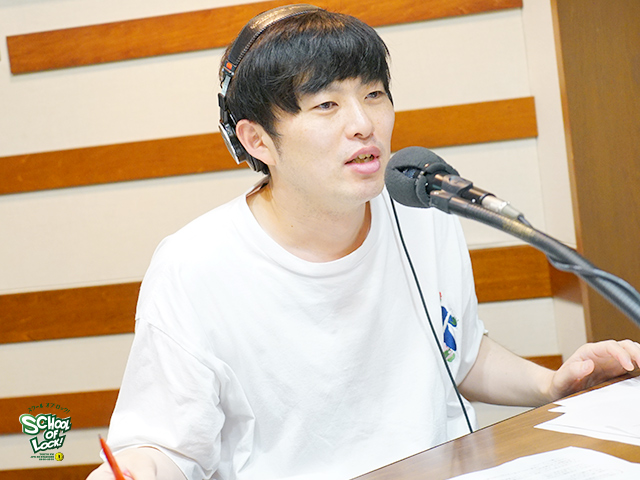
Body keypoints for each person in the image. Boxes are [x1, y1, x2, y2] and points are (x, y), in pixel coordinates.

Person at [88, 5, 640, 480]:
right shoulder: (195, 264)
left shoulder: (422, 210)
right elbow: (163, 447)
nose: (363, 123)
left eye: (373, 95)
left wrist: (554, 383)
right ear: (257, 140)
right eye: (326, 105)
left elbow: (460, 357)